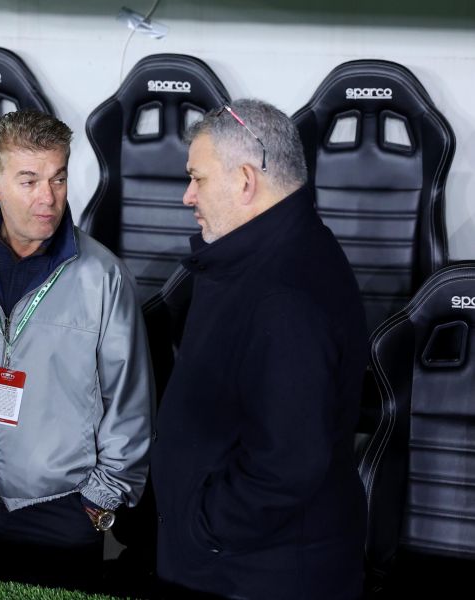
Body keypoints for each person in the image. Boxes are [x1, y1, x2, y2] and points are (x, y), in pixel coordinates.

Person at [0, 109, 153, 588]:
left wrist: (101, 497)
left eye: (58, 178)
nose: (48, 197)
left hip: (61, 509)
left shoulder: (103, 277)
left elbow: (131, 401)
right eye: (29, 180)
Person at [152, 100, 368, 599]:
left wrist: (205, 528)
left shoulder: (285, 294)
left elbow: (287, 464)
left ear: (246, 180)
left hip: (254, 576)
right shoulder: (260, 257)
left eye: (198, 179)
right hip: (233, 565)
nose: (188, 196)